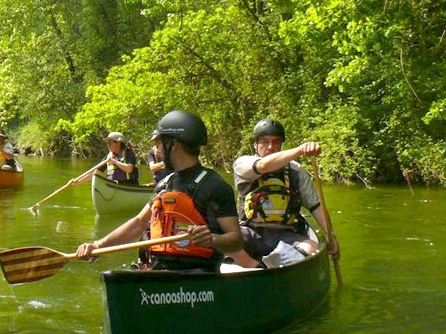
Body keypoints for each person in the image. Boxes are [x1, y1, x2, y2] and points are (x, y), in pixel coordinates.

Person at [75, 110, 243, 272]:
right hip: (158, 272)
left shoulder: (215, 186)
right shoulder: (165, 184)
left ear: (174, 144)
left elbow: (236, 240)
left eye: (160, 144)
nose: (158, 150)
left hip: (197, 275)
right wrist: (97, 246)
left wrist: (212, 239)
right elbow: (139, 223)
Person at [227, 118, 340, 268]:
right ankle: (257, 266)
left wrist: (330, 235)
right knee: (223, 243)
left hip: (286, 234)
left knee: (312, 249)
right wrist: (301, 149)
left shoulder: (295, 171)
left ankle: (280, 258)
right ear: (255, 144)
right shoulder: (243, 164)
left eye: (276, 142)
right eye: (264, 142)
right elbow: (263, 165)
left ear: (281, 145)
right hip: (250, 231)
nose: (270, 147)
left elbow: (315, 206)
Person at [72, 131, 140, 185]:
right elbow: (95, 172)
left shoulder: (128, 153)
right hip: (114, 186)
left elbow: (129, 169)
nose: (108, 145)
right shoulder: (108, 156)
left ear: (118, 143)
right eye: (108, 143)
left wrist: (114, 161)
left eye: (110, 143)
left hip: (129, 185)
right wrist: (77, 182)